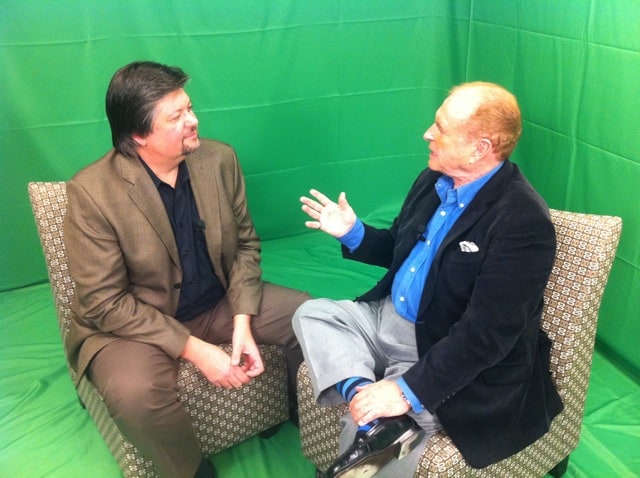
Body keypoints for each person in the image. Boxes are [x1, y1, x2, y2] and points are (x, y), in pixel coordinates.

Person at [293, 82, 563, 477]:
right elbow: (400, 249)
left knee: (362, 432)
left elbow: (488, 334)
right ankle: (369, 404)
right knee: (313, 313)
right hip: (385, 318)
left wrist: (407, 390)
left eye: (441, 127)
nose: (427, 134)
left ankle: (379, 424)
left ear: (480, 148)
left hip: (439, 344)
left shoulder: (522, 220)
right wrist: (353, 233)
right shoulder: (432, 181)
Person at [63, 61, 310, 478]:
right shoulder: (91, 193)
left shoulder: (220, 159)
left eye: (190, 108)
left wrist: (243, 320)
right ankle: (191, 471)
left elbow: (245, 245)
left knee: (312, 316)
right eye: (176, 117)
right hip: (134, 326)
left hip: (218, 301)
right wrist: (194, 349)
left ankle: (298, 409)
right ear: (139, 135)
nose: (193, 121)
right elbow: (105, 303)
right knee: (135, 394)